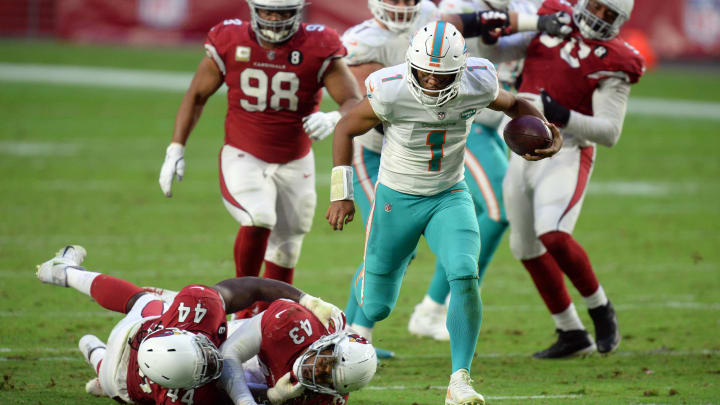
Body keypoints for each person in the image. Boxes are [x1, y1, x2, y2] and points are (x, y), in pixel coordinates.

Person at [326, 21, 562, 404]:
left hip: (449, 194)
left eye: (444, 76)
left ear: (461, 69)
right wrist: (342, 194)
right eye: (425, 74)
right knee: (376, 305)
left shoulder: (477, 81)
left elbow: (514, 104)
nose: (433, 83)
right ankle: (341, 329)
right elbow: (344, 129)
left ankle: (459, 381)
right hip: (396, 198)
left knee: (464, 273)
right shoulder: (391, 89)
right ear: (411, 65)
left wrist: (543, 129)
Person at [157, 0, 363, 314]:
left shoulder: (318, 45)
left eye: (282, 13)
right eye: (267, 11)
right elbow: (197, 94)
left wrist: (334, 117)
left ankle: (270, 320)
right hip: (244, 154)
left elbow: (352, 99)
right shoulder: (230, 39)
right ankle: (242, 306)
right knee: (259, 217)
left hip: (296, 159)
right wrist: (176, 147)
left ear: (298, 13)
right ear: (253, 10)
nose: (274, 19)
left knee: (288, 245)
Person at [494, 0, 645, 358]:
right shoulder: (551, 18)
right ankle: (570, 331)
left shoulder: (615, 58)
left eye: (610, 14)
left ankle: (600, 308)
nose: (598, 17)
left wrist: (564, 115)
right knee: (525, 247)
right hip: (522, 148)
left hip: (567, 149)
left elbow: (610, 132)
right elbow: (498, 41)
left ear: (620, 21)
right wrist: (531, 25)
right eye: (596, 7)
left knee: (554, 233)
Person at [34, 245, 362, 405]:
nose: (213, 359)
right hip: (130, 378)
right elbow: (234, 391)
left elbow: (252, 288)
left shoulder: (193, 315)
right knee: (122, 381)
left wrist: (305, 300)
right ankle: (95, 352)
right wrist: (271, 398)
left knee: (145, 304)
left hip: (142, 351)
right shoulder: (191, 392)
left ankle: (65, 274)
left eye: (205, 354)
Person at [407, 0, 555, 341]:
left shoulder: (525, 6)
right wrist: (533, 25)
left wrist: (540, 25)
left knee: (481, 212)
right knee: (499, 209)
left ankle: (435, 306)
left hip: (490, 125)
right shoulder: (463, 6)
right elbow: (487, 44)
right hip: (462, 121)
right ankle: (436, 306)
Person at [222, 301, 377, 405]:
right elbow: (228, 353)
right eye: (324, 363)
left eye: (325, 378)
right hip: (224, 351)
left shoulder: (328, 399)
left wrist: (271, 397)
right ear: (327, 344)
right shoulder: (293, 321)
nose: (315, 372)